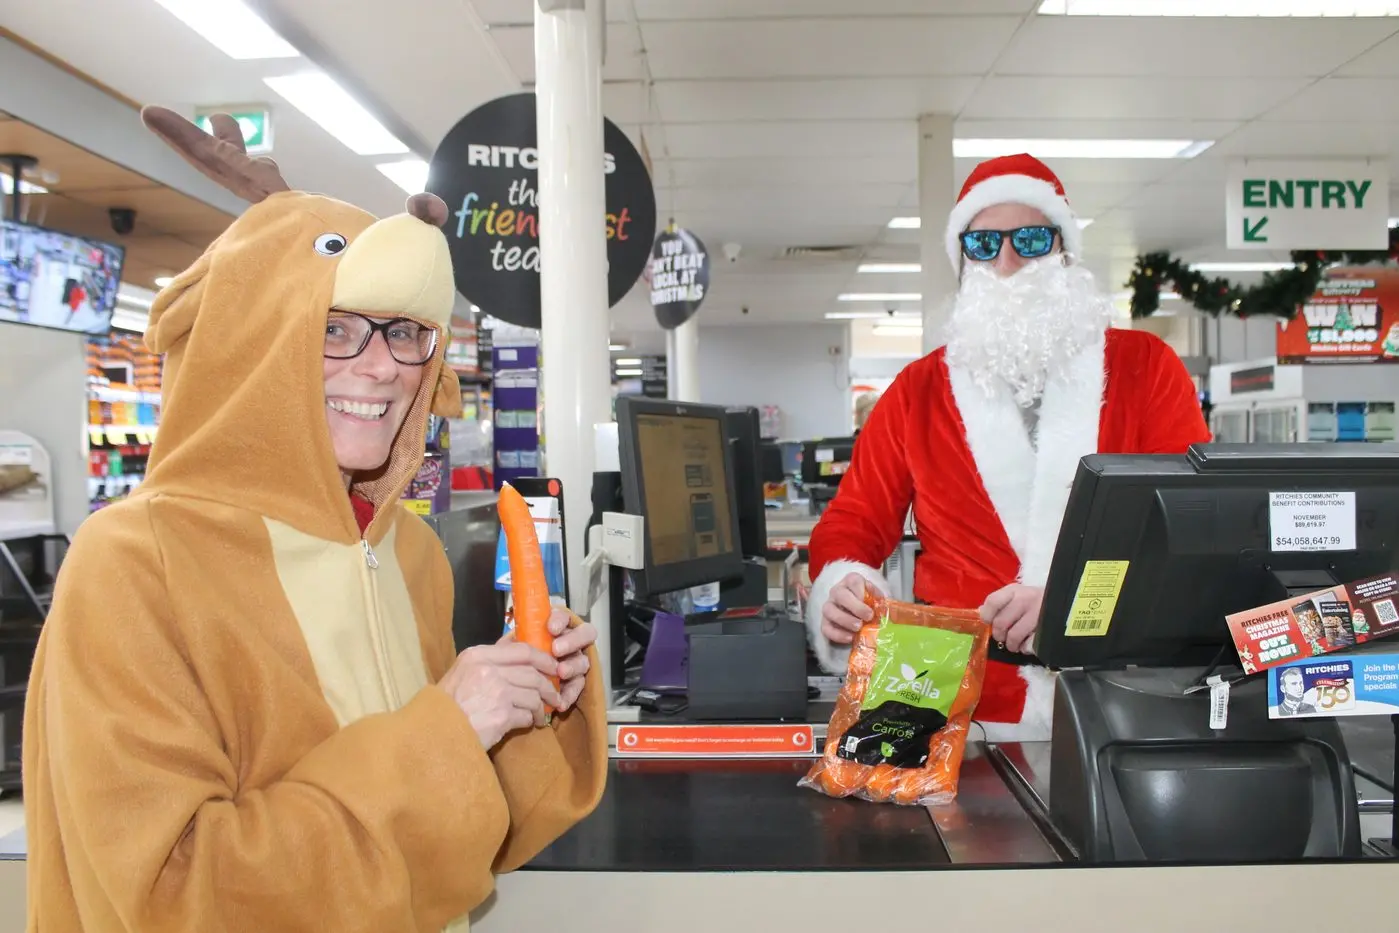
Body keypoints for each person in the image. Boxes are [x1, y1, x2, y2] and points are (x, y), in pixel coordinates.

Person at [22, 108, 607, 931]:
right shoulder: (133, 562)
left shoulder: (408, 552)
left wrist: (526, 708)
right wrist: (446, 730)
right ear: (252, 343)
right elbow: (174, 893)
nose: (381, 365)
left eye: (404, 331)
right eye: (334, 328)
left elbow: (449, 845)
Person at [805, 153, 1211, 740]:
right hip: (951, 707)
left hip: (1116, 695)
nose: (1008, 260)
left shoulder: (1145, 369)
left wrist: (1074, 606)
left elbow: (1185, 530)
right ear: (963, 258)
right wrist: (842, 586)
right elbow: (854, 521)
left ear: (1064, 250)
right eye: (984, 244)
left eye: (1030, 238)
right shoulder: (918, 390)